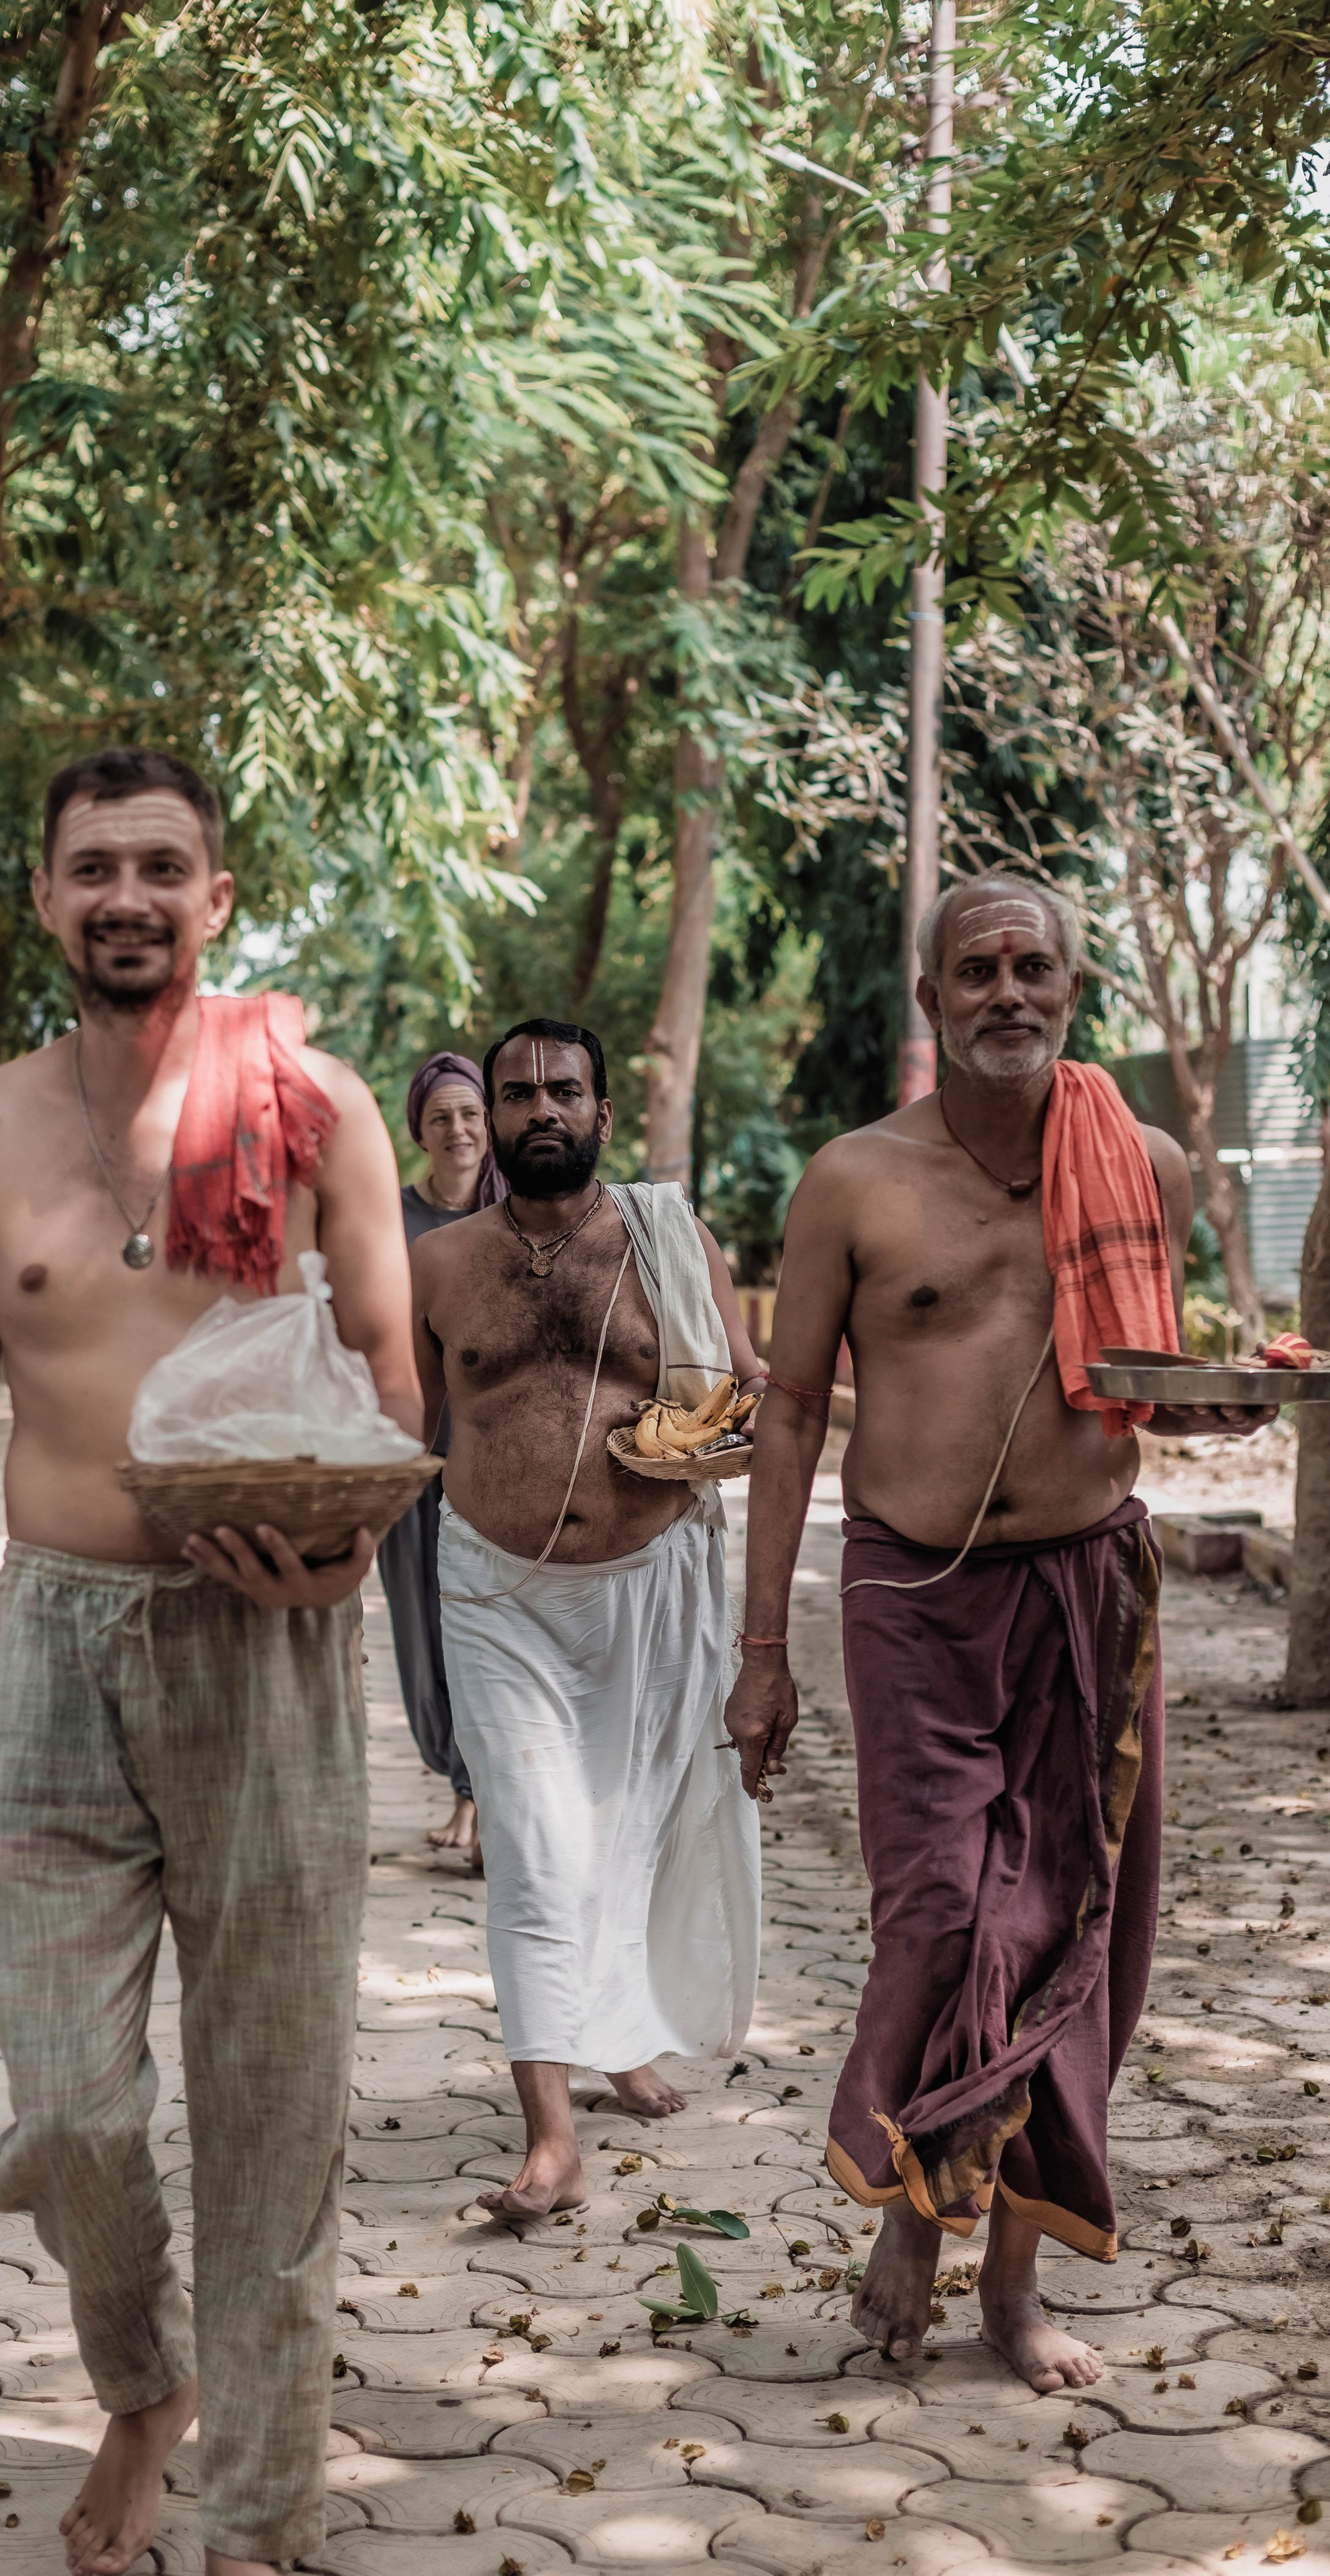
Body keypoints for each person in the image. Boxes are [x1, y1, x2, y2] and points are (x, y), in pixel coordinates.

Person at [0, 747, 420, 2576]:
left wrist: (333, 1559)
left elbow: (396, 1399)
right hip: (49, 1650)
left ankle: (263, 2517)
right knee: (73, 2116)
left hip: (266, 1651)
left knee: (271, 2118)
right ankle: (142, 2375)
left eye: (160, 869)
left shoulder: (321, 1111)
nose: (126, 896)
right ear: (46, 898)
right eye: (91, 865)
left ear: (216, 901)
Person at [724, 873, 1273, 2395]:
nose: (1005, 993)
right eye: (975, 970)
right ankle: (913, 2188)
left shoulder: (1139, 1161)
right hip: (911, 1594)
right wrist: (758, 1649)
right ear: (928, 1000)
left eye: (1032, 966)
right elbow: (779, 1415)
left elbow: (1143, 1374)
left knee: (1079, 1938)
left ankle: (1007, 2285)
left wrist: (1221, 1395)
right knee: (946, 1917)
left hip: (1092, 1583)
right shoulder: (850, 1180)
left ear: (1071, 988)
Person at [410, 1018, 766, 2218]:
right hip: (496, 1589)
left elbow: (747, 1391)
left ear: (604, 1114)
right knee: (535, 1847)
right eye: (518, 1094)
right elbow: (396, 1435)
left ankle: (618, 2037)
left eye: (565, 1090)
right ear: (494, 1117)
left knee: (631, 1833)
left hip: (652, 1578)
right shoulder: (443, 1264)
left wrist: (725, 1436)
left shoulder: (666, 1236)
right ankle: (549, 2136)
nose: (540, 1110)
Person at [376, 1051, 506, 1858]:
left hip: (498, 1466)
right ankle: (463, 1784)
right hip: (414, 1463)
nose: (457, 1130)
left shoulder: (522, 1211)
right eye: (440, 1117)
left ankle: (485, 1797)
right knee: (424, 1634)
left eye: (470, 1113)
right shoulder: (388, 1221)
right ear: (418, 1131)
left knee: (490, 1633)